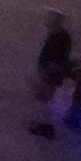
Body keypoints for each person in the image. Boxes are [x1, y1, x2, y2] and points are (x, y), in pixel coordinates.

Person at [28, 10, 74, 139]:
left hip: (51, 75)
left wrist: (44, 75)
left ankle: (45, 127)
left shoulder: (58, 37)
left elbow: (56, 59)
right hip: (52, 74)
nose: (47, 20)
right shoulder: (61, 35)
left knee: (45, 101)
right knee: (45, 101)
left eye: (50, 18)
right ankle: (44, 126)